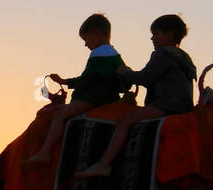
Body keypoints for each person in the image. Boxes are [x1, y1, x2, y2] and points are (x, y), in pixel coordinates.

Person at [77, 14, 197, 177]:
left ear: (169, 34)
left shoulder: (162, 54)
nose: (152, 38)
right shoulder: (184, 57)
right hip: (184, 106)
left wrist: (125, 73)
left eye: (156, 34)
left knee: (124, 122)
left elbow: (145, 78)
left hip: (167, 105)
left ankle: (104, 163)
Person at [25, 14, 127, 165]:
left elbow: (89, 79)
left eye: (86, 40)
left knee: (60, 115)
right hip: (100, 97)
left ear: (96, 34)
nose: (86, 45)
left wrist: (68, 84)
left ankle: (45, 152)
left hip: (94, 99)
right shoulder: (113, 55)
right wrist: (65, 81)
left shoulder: (100, 55)